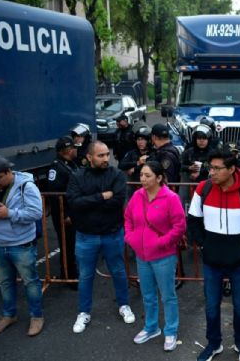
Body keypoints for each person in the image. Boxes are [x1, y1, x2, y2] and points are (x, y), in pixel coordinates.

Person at [187, 149, 240, 361]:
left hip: (238, 262)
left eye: (217, 168)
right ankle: (213, 344)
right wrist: (204, 245)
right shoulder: (203, 188)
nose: (211, 172)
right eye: (210, 167)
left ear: (231, 169)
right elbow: (193, 220)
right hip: (211, 261)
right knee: (211, 306)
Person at [66, 141, 136, 334]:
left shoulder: (116, 175)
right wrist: (100, 197)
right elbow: (74, 203)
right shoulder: (77, 176)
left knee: (119, 271)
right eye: (101, 155)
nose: (106, 158)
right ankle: (83, 312)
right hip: (85, 236)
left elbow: (116, 201)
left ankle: (124, 305)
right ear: (89, 157)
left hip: (112, 234)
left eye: (107, 154)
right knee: (86, 275)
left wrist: (90, 202)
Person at [0, 156, 44, 336]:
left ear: (9, 172)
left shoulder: (26, 186)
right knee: (5, 282)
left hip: (21, 244)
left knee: (31, 282)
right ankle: (8, 315)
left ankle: (36, 316)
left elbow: (36, 213)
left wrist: (9, 213)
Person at [124, 161, 186, 351]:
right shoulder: (137, 196)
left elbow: (179, 226)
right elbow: (128, 218)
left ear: (159, 178)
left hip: (164, 257)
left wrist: (161, 243)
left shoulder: (171, 198)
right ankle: (151, 327)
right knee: (148, 295)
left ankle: (170, 331)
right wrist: (131, 238)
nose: (142, 179)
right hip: (142, 256)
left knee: (168, 295)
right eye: (141, 175)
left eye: (147, 175)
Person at [47, 136, 80, 282]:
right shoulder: (56, 167)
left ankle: (72, 272)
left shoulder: (70, 164)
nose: (76, 150)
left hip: (74, 211)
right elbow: (55, 195)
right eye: (74, 148)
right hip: (63, 213)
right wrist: (65, 214)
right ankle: (69, 276)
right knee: (67, 245)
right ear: (67, 150)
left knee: (73, 244)